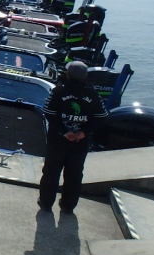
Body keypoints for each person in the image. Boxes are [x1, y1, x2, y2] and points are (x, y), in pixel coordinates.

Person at [38, 61, 107, 214]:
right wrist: (84, 132)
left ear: (68, 75)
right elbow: (101, 117)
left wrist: (64, 131)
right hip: (80, 143)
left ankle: (46, 202)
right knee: (74, 174)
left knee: (51, 171)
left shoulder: (58, 92)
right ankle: (68, 205)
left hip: (57, 141)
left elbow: (48, 113)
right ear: (85, 77)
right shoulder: (93, 94)